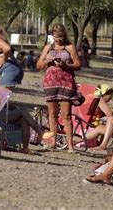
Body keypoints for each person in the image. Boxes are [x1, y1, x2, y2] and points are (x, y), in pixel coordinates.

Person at [36, 23, 83, 152]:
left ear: (64, 35)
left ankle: (70, 145)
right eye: (56, 37)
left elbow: (78, 64)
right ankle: (53, 142)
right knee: (52, 113)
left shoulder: (70, 47)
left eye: (60, 36)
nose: (58, 39)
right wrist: (47, 60)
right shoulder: (48, 48)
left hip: (66, 82)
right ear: (52, 36)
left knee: (67, 114)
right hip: (51, 83)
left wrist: (66, 65)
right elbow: (38, 66)